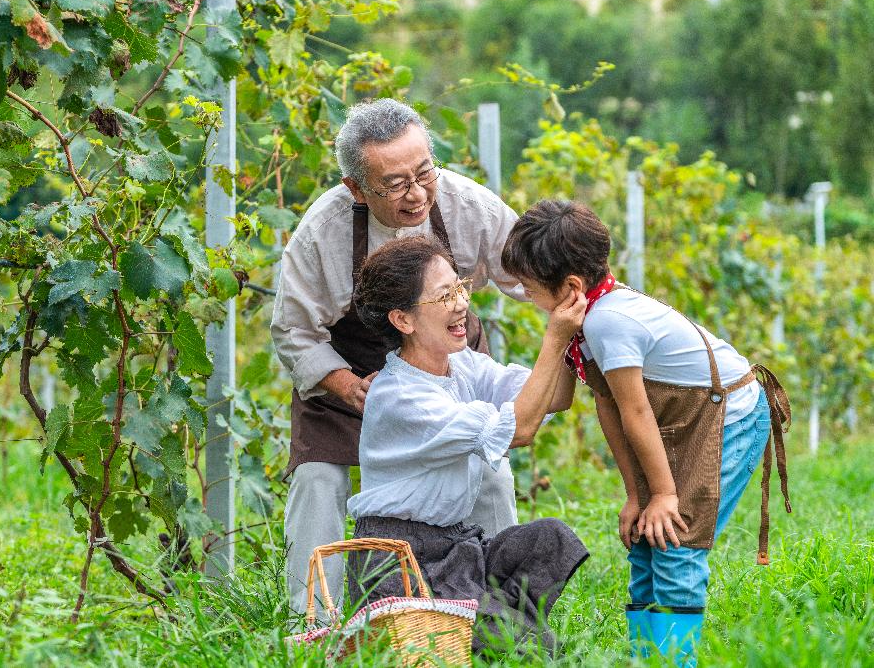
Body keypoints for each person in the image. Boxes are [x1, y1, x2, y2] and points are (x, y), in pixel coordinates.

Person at [500, 200, 792, 667]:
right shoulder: (589, 321)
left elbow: (636, 411)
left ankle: (675, 662)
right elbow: (608, 404)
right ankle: (646, 658)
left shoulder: (608, 321)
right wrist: (638, 496)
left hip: (729, 417)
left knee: (675, 541)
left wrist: (664, 494)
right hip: (680, 420)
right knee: (645, 537)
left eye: (529, 288)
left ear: (571, 287)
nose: (524, 295)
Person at [271, 98, 529, 614]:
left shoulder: (465, 205)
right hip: (351, 378)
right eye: (394, 185)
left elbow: (525, 270)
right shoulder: (324, 231)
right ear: (356, 188)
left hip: (447, 365)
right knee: (318, 478)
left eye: (424, 173)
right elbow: (294, 329)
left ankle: (506, 613)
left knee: (492, 475)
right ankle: (314, 623)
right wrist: (345, 385)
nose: (416, 194)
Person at [344, 235, 588, 655]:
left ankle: (488, 619)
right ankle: (491, 623)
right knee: (534, 647)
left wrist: (570, 333)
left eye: (460, 287)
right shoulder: (400, 396)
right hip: (400, 565)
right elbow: (521, 431)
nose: (460, 304)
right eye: (444, 296)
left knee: (551, 539)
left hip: (456, 548)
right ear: (403, 320)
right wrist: (555, 338)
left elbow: (554, 397)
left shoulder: (462, 366)